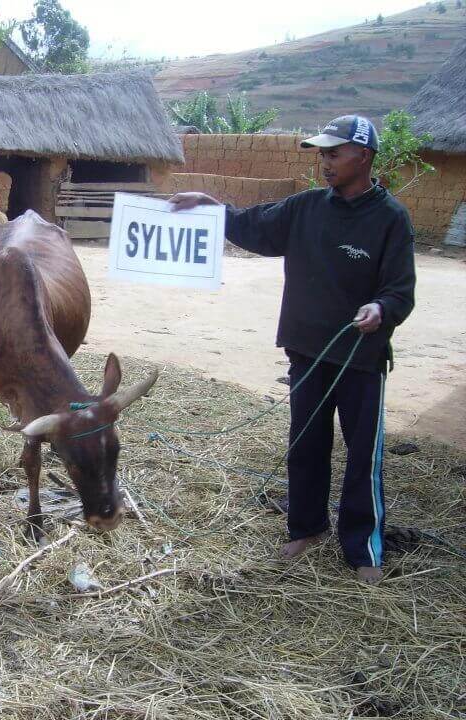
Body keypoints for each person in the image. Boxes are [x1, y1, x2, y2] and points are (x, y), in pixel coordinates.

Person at [170, 115, 416, 584]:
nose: (324, 162)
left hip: (360, 359)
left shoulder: (391, 219)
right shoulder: (306, 208)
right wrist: (211, 207)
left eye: (333, 153)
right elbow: (253, 227)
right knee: (305, 444)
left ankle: (364, 548)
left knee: (363, 455)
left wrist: (380, 310)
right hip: (307, 352)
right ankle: (306, 527)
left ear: (362, 156)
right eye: (321, 153)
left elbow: (401, 290)